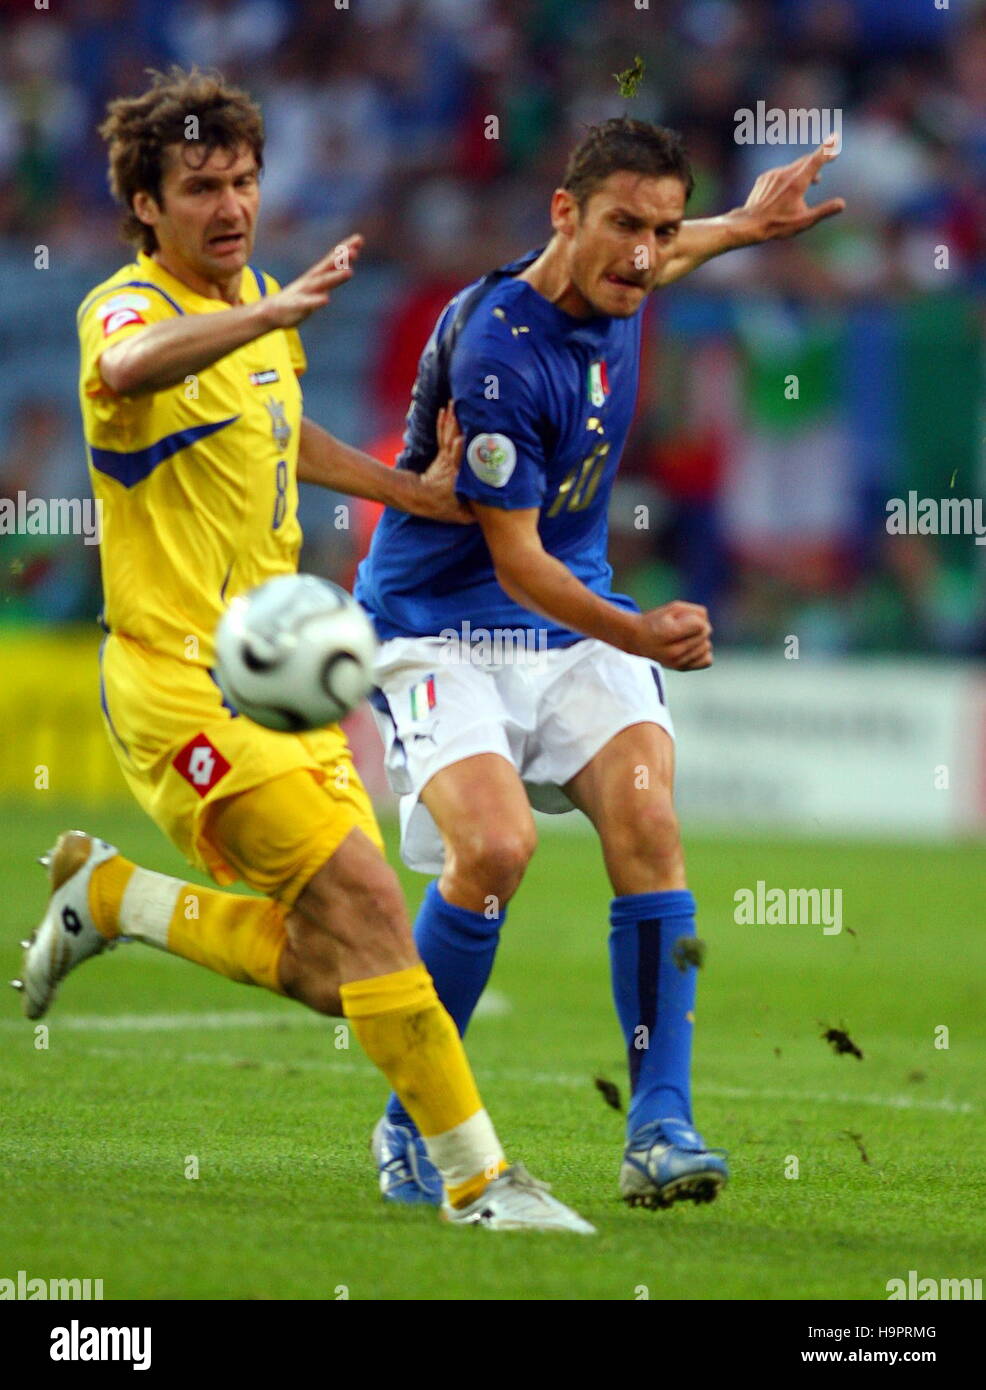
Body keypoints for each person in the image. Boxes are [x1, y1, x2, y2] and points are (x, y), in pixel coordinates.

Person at [13, 67, 593, 1235]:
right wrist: (267, 317)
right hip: (178, 683)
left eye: (241, 183)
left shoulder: (257, 306)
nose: (229, 208)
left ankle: (113, 897)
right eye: (198, 189)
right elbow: (131, 371)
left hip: (277, 682)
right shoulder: (125, 309)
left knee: (337, 964)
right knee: (377, 904)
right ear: (145, 205)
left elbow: (288, 430)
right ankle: (481, 1184)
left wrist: (407, 491)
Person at [355, 117, 844, 1209]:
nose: (644, 251)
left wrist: (745, 227)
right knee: (490, 849)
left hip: (569, 625)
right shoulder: (494, 351)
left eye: (660, 227)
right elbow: (516, 561)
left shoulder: (622, 273)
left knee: (650, 823)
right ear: (560, 214)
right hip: (444, 626)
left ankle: (659, 1124)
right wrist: (639, 632)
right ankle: (409, 1121)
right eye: (623, 222)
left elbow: (666, 253)